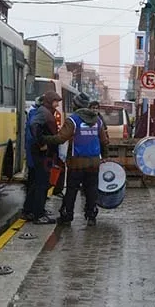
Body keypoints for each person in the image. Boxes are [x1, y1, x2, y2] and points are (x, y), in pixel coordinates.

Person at [41, 93, 109, 226]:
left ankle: (67, 216)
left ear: (75, 105)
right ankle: (91, 216)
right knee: (91, 189)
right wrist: (105, 156)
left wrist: (44, 138)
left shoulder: (73, 120)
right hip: (94, 162)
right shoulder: (97, 120)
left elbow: (61, 138)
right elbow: (104, 141)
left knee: (72, 189)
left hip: (77, 162)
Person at [28, 91, 63, 225]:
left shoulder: (46, 111)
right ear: (49, 101)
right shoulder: (44, 112)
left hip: (45, 153)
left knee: (38, 183)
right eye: (56, 101)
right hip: (42, 154)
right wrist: (41, 143)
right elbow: (33, 125)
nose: (57, 104)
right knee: (42, 184)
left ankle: (32, 210)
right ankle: (39, 214)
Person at [22, 95, 42, 221]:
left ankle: (31, 209)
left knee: (33, 182)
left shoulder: (33, 113)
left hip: (33, 155)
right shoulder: (36, 116)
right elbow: (32, 137)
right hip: (35, 156)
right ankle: (29, 210)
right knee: (34, 183)